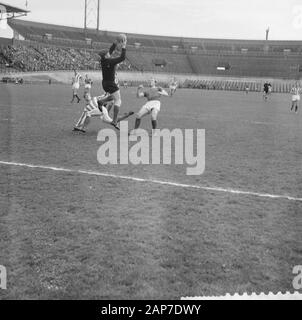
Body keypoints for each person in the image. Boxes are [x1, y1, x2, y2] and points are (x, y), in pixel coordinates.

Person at [98, 36, 127, 128]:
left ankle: (102, 101)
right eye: (108, 53)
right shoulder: (110, 61)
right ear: (106, 55)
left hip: (105, 84)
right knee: (118, 100)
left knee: (114, 97)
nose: (109, 53)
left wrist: (115, 43)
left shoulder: (103, 60)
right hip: (110, 83)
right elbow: (122, 58)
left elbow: (110, 51)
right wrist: (124, 46)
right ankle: (114, 121)